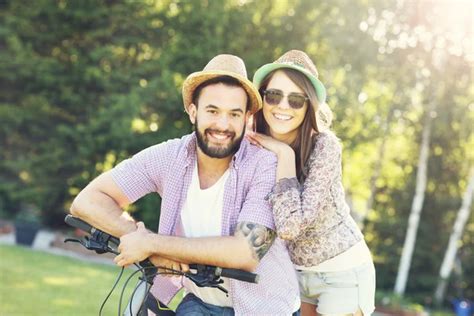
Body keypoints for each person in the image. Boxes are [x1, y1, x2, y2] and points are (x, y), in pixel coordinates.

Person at [70, 54, 300, 315]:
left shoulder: (264, 165)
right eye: (212, 111)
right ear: (193, 111)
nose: (222, 125)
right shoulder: (171, 157)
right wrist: (138, 237)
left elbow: (246, 252)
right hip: (202, 303)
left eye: (234, 114)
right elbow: (87, 201)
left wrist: (154, 244)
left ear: (247, 118)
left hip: (264, 307)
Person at [246, 50, 376, 316]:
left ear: (309, 107)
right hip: (295, 275)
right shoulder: (253, 143)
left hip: (343, 274)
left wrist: (284, 154)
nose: (283, 106)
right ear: (262, 97)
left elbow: (291, 226)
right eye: (274, 95)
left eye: (296, 100)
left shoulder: (325, 147)